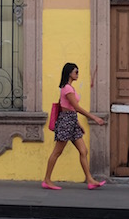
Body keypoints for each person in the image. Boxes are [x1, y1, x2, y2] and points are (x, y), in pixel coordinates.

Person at [42, 62, 106, 190]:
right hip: (66, 122)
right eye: (76, 72)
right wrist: (94, 117)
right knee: (57, 152)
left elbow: (69, 108)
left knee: (83, 151)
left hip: (72, 121)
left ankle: (90, 179)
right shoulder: (67, 88)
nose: (78, 74)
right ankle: (47, 180)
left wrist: (77, 124)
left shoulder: (69, 88)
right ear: (69, 73)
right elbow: (75, 108)